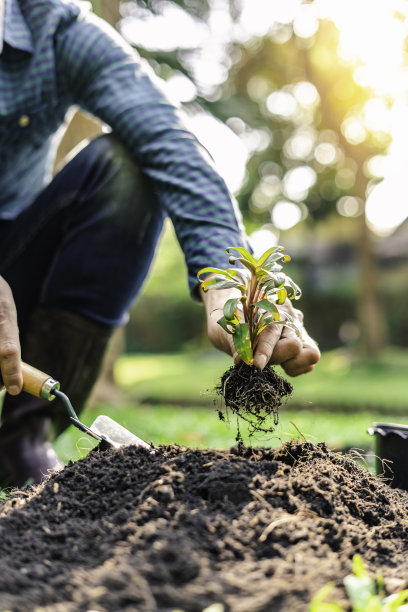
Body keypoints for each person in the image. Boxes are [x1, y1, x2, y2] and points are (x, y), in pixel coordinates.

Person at [0, 0, 320, 487]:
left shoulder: (53, 29)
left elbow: (169, 141)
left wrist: (225, 280)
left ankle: (23, 439)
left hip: (16, 258)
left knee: (129, 170)